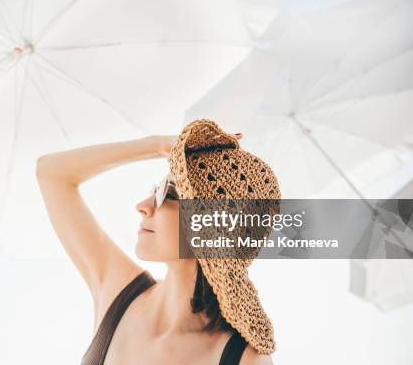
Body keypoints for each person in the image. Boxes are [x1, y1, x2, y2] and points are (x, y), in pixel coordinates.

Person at [36, 119, 279, 364]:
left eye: (169, 194)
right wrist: (155, 145)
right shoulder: (120, 293)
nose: (142, 206)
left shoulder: (242, 357)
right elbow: (51, 173)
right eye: (156, 189)